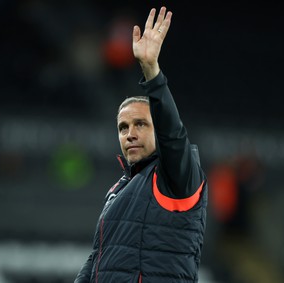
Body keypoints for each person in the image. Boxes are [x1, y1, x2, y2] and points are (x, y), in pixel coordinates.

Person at [75, 6, 208, 282]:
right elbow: (97, 256)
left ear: (158, 130)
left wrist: (152, 72)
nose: (130, 134)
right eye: (123, 128)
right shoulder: (118, 189)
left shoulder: (176, 177)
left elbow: (173, 135)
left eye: (141, 124)